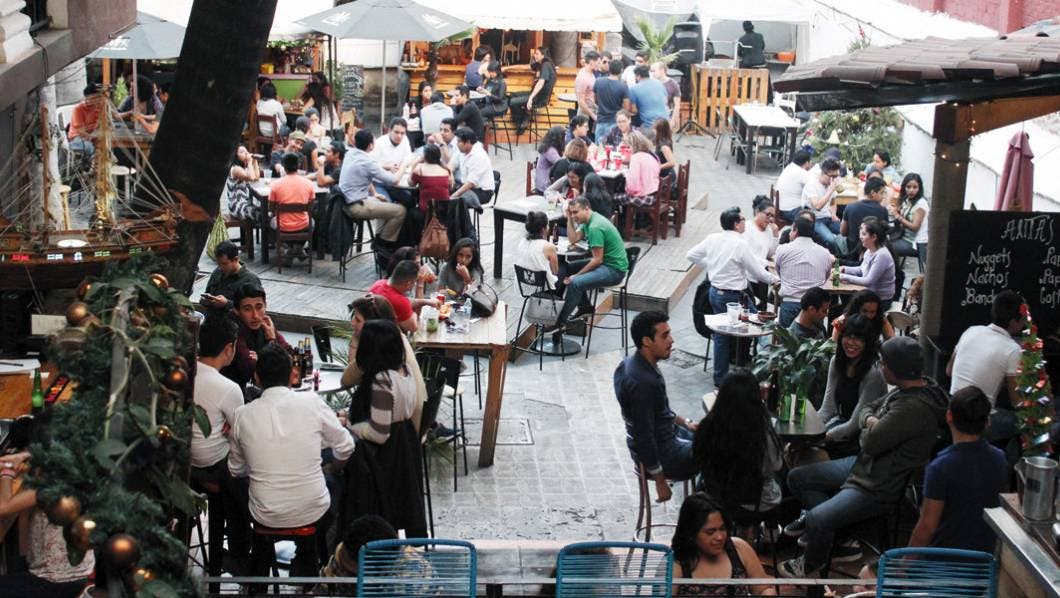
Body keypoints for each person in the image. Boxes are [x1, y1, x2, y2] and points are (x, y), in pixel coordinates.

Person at [780, 336, 948, 578]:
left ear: (896, 368)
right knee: (797, 478)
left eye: (884, 362)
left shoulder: (911, 408)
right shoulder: (907, 389)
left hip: (877, 485)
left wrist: (869, 423)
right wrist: (871, 421)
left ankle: (811, 563)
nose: (880, 366)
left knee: (817, 518)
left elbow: (868, 442)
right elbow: (869, 409)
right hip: (863, 466)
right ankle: (840, 538)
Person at [228, 343, 355, 578]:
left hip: (265, 513)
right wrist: (330, 467)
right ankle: (309, 557)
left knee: (239, 486)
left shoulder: (242, 415)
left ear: (257, 377)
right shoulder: (312, 403)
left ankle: (257, 562)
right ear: (293, 375)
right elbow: (346, 446)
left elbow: (236, 469)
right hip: (314, 510)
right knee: (334, 483)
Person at [908, 387, 1008, 553]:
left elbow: (927, 527)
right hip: (984, 559)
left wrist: (904, 563)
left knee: (874, 567)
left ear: (949, 416)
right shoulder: (1000, 458)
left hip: (945, 560)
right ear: (987, 422)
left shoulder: (939, 467)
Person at [686, 207, 778, 386]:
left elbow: (691, 255)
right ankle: (764, 369)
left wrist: (712, 265)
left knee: (721, 335)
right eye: (742, 220)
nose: (745, 222)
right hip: (734, 297)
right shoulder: (739, 244)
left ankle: (720, 378)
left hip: (715, 293)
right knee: (761, 326)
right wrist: (774, 279)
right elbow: (757, 271)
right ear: (736, 224)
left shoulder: (713, 239)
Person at [614, 311, 696, 501]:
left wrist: (686, 422)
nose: (672, 340)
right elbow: (644, 436)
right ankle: (703, 511)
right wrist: (660, 481)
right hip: (664, 454)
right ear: (646, 341)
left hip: (667, 437)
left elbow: (659, 411)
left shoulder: (629, 363)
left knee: (714, 439)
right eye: (665, 336)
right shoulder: (643, 383)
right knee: (720, 451)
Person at [191, 315, 251, 573]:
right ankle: (239, 553)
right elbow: (240, 435)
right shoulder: (228, 388)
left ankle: (226, 555)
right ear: (229, 348)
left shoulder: (185, 372)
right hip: (211, 466)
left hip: (183, 465)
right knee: (245, 471)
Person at [0, 451, 95, 597]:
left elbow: (3, 507)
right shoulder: (75, 473)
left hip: (56, 580)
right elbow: (23, 516)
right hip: (75, 572)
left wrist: (7, 471)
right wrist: (21, 562)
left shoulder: (48, 485)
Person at [694, 369, 783, 514]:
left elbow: (700, 460)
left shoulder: (707, 426)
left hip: (717, 497)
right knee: (782, 477)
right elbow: (776, 465)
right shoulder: (762, 430)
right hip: (754, 503)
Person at [947, 289, 1026, 444]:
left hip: (953, 408)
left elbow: (949, 371)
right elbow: (1016, 401)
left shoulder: (971, 331)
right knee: (1025, 421)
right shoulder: (1012, 349)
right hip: (978, 420)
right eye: (1024, 318)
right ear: (1013, 322)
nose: (1026, 322)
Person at [340, 295, 426, 433]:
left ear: (374, 325)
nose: (352, 323)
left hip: (399, 434)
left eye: (358, 320)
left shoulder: (379, 351)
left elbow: (347, 380)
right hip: (411, 426)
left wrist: (356, 340)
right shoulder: (397, 341)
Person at [671, 493, 777, 596]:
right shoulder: (677, 564)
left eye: (722, 529)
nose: (720, 537)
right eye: (710, 532)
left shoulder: (739, 549)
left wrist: (767, 593)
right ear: (691, 533)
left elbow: (762, 589)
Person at [818, 314, 887, 458]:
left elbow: (855, 424)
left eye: (858, 339)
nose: (851, 343)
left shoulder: (872, 374)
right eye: (848, 337)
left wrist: (823, 437)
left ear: (867, 343)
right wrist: (808, 429)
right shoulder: (836, 362)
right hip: (840, 425)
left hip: (861, 439)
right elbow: (827, 408)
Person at [554, 197, 628, 329]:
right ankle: (585, 307)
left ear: (586, 209)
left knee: (575, 283)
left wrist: (576, 276)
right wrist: (569, 219)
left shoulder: (595, 227)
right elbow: (573, 239)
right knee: (567, 269)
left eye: (575, 212)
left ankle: (559, 322)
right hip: (604, 263)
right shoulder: (589, 220)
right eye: (571, 212)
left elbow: (597, 260)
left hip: (614, 269)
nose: (573, 215)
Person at [347, 319, 419, 446]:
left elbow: (378, 435)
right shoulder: (405, 369)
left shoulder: (384, 380)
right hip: (405, 442)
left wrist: (349, 425)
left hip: (384, 452)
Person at [338, 128, 412, 244]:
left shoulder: (350, 154)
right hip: (356, 206)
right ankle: (384, 243)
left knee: (386, 201)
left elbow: (364, 176)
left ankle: (379, 236)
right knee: (400, 210)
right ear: (370, 146)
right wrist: (404, 165)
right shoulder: (367, 162)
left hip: (347, 201)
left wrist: (375, 193)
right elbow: (394, 180)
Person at [221, 284, 292, 391]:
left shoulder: (265, 324)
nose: (255, 315)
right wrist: (272, 342)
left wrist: (260, 357)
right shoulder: (232, 328)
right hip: (233, 391)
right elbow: (253, 368)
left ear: (265, 305)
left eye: (259, 307)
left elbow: (292, 356)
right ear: (236, 310)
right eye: (247, 309)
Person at [775, 218, 834, 327]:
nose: (790, 234)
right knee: (813, 338)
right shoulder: (825, 253)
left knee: (787, 338)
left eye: (791, 230)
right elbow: (826, 276)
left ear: (796, 231)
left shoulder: (782, 249)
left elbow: (780, 273)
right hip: (814, 308)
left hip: (790, 304)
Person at [838, 218, 896, 310]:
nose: (860, 237)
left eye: (864, 234)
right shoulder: (869, 250)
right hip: (869, 295)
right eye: (861, 233)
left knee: (845, 310)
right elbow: (861, 270)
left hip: (880, 300)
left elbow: (868, 281)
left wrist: (842, 276)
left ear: (874, 237)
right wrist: (844, 269)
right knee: (841, 307)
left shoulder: (882, 255)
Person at [368, 260, 439, 333]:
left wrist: (425, 301)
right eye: (414, 282)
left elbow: (406, 301)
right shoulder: (400, 302)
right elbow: (413, 327)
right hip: (388, 336)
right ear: (408, 283)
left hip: (370, 331)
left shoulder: (378, 283)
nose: (414, 284)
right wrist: (420, 284)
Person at [201, 240, 262, 315]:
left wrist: (227, 304)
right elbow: (207, 293)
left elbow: (255, 311)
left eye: (224, 264)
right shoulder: (217, 272)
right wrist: (205, 300)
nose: (221, 267)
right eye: (218, 264)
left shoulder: (250, 280)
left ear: (236, 259)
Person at [511, 47, 557, 135]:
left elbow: (541, 82)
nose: (534, 55)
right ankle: (524, 118)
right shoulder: (540, 64)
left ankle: (523, 121)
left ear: (543, 55)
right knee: (513, 95)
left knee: (512, 102)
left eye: (537, 54)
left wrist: (531, 98)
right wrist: (506, 68)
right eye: (534, 53)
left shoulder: (546, 65)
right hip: (535, 94)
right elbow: (524, 66)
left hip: (539, 98)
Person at [888, 172, 929, 271]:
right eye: (908, 187)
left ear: (919, 188)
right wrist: (897, 210)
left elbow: (915, 227)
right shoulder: (908, 199)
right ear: (904, 187)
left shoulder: (921, 204)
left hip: (915, 243)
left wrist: (898, 216)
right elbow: (905, 214)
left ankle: (893, 273)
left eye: (915, 187)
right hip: (904, 236)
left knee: (885, 247)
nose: (911, 190)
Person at [838, 177, 889, 256]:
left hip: (853, 249)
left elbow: (843, 232)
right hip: (873, 250)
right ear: (873, 193)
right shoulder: (883, 210)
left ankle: (839, 260)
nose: (884, 196)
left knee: (838, 238)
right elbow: (883, 235)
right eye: (882, 193)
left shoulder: (850, 207)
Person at [448, 128, 496, 209]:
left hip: (482, 192)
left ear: (468, 142)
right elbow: (451, 164)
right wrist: (450, 174)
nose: (457, 144)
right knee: (441, 193)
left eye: (459, 141)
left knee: (456, 203)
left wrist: (454, 196)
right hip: (466, 187)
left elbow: (471, 183)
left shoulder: (478, 155)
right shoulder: (461, 150)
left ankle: (462, 218)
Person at [268, 152, 314, 236]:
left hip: (281, 225)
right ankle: (303, 242)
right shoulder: (309, 184)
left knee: (269, 220)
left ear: (284, 167)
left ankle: (278, 242)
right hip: (303, 224)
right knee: (313, 221)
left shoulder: (275, 185)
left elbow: (271, 207)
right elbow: (311, 204)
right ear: (298, 165)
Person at [801, 158, 842, 249]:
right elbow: (817, 206)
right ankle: (832, 256)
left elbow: (833, 203)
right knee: (831, 240)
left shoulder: (830, 185)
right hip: (815, 219)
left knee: (847, 233)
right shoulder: (812, 185)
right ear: (823, 173)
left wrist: (833, 214)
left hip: (828, 218)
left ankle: (845, 255)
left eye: (836, 176)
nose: (834, 179)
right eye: (832, 176)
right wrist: (830, 191)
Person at [514, 211, 559, 289]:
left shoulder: (522, 242)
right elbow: (555, 271)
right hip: (543, 287)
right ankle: (558, 295)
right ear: (543, 229)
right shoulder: (549, 247)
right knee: (564, 267)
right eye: (548, 225)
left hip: (523, 286)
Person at [830, 289, 896, 342]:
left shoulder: (880, 318)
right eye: (864, 311)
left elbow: (891, 339)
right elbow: (833, 344)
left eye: (872, 312)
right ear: (856, 308)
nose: (868, 315)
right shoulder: (842, 320)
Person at [592, 59, 630, 144]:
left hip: (601, 120)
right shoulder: (623, 86)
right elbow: (626, 108)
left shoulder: (598, 81)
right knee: (614, 147)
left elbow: (595, 99)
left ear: (609, 68)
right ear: (621, 71)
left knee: (599, 148)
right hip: (615, 121)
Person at [619, 130, 661, 205]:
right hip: (654, 193)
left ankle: (619, 213)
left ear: (633, 145)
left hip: (643, 197)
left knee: (611, 197)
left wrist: (626, 188)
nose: (628, 149)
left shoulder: (636, 158)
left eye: (629, 147)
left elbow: (632, 186)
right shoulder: (652, 155)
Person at [409, 143, 453, 212]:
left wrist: (414, 165)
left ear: (424, 156)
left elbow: (411, 184)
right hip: (445, 210)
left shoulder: (420, 170)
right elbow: (450, 187)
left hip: (427, 210)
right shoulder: (446, 170)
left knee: (410, 210)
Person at [775, 150, 814, 222]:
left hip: (781, 208)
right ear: (806, 163)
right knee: (815, 216)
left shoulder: (790, 167)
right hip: (790, 211)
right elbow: (815, 184)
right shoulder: (801, 172)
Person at [628, 65, 670, 130]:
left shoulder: (633, 89)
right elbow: (666, 100)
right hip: (665, 120)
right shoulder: (659, 83)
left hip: (648, 124)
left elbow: (634, 110)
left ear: (638, 76)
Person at [68, 83, 103, 156]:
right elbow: (81, 131)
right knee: (89, 147)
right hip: (77, 138)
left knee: (106, 144)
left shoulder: (99, 107)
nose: (92, 101)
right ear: (86, 98)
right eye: (91, 98)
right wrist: (94, 137)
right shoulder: (78, 109)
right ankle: (92, 162)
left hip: (90, 136)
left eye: (96, 98)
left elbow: (116, 116)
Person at [744, 195, 779, 264]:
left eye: (772, 216)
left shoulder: (769, 230)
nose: (771, 219)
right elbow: (746, 257)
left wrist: (775, 236)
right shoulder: (746, 228)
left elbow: (769, 254)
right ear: (757, 212)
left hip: (761, 268)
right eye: (768, 214)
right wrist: (766, 263)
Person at [535, 126, 566, 193]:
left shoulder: (548, 146)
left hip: (544, 181)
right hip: (545, 185)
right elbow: (561, 163)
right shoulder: (549, 150)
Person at [403, 80, 433, 148]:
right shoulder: (414, 102)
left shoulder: (433, 102)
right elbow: (406, 116)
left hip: (429, 129)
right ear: (420, 93)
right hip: (416, 129)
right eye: (426, 91)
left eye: (430, 90)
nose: (429, 93)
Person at [651, 61, 681, 130]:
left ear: (662, 70)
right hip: (653, 117)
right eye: (651, 71)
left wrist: (673, 120)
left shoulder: (673, 84)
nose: (652, 73)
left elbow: (677, 105)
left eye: (654, 71)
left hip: (667, 116)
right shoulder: (651, 84)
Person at [575, 51, 601, 124]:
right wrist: (593, 116)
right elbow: (581, 101)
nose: (599, 65)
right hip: (585, 113)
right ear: (591, 62)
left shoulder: (591, 73)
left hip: (593, 108)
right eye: (598, 63)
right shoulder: (583, 77)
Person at [653, 118, 677, 184]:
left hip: (666, 179)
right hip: (664, 176)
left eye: (655, 129)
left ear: (660, 131)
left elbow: (672, 163)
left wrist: (658, 167)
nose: (653, 131)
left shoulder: (664, 147)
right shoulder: (662, 140)